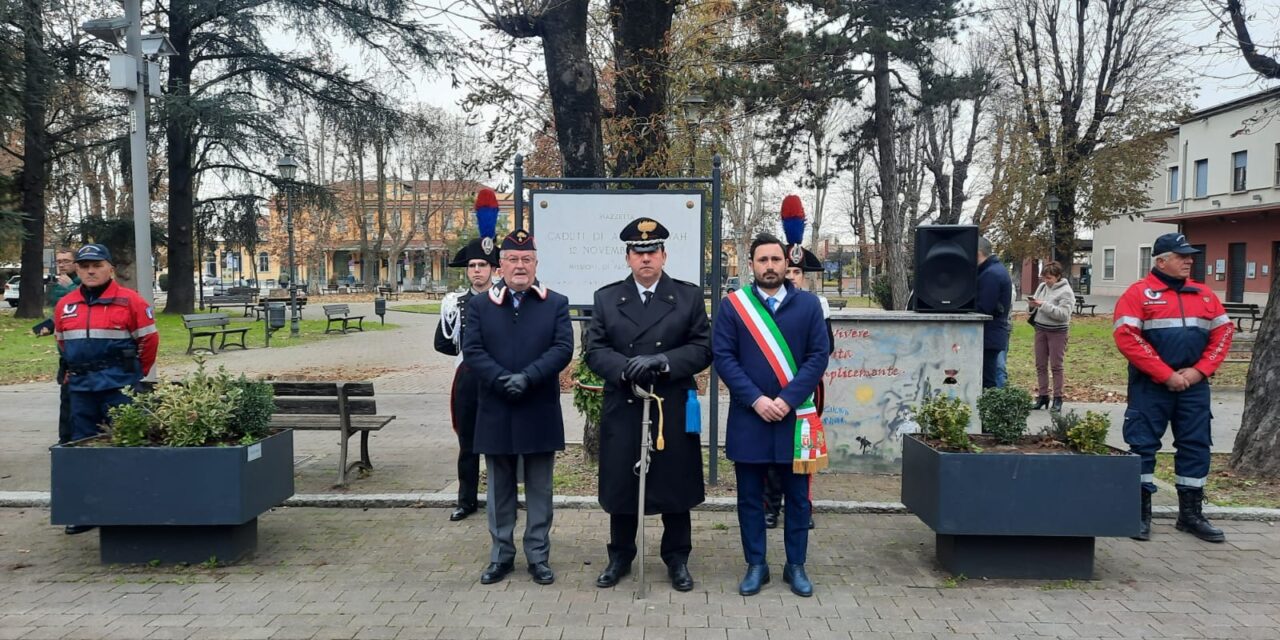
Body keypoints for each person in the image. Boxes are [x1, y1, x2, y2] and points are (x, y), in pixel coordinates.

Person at [585, 217, 712, 592]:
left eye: (652, 252)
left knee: (675, 483)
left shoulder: (687, 297)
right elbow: (595, 350)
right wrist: (625, 368)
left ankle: (677, 558)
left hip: (668, 403)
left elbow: (703, 348)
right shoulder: (607, 298)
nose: (645, 259)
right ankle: (620, 556)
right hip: (625, 403)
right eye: (638, 253)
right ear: (627, 258)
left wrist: (663, 362)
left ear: (664, 255)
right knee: (624, 484)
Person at [713, 232, 829, 598]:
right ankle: (756, 565)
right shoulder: (733, 306)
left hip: (795, 420)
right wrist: (757, 400)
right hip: (751, 418)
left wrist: (788, 399)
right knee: (750, 498)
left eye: (775, 260)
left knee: (797, 498)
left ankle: (795, 566)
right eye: (762, 260)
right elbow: (724, 358)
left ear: (786, 264)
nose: (769, 266)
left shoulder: (809, 306)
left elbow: (818, 357)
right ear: (752, 266)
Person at [462, 228, 573, 585]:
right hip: (496, 408)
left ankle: (538, 556)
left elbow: (562, 348)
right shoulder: (480, 305)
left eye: (526, 259)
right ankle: (501, 556)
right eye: (512, 259)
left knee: (540, 489)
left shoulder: (555, 303)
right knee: (499, 489)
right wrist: (501, 379)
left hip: (537, 406)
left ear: (536, 263)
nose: (520, 266)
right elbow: (473, 350)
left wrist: (527, 377)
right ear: (501, 265)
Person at [1114, 232, 1233, 544]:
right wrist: (1165, 374)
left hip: (1193, 385)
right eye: (1182, 256)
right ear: (1161, 260)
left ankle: (1191, 514)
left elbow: (1222, 334)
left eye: (1190, 255)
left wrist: (1198, 372)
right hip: (1151, 386)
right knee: (1142, 446)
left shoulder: (1205, 295)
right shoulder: (1139, 294)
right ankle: (1139, 513)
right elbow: (1128, 337)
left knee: (1195, 445)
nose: (1189, 261)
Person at [54, 243, 158, 534]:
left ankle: (131, 508)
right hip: (81, 388)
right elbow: (62, 342)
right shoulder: (66, 304)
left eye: (97, 265)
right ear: (77, 268)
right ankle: (88, 512)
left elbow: (148, 342)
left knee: (127, 445)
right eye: (85, 265)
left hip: (118, 386)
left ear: (110, 268)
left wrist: (134, 374)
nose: (90, 270)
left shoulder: (131, 301)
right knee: (82, 448)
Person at [764, 195, 833, 531]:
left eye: (796, 271)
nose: (791, 276)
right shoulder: (762, 304)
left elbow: (824, 348)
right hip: (769, 389)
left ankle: (802, 506)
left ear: (805, 275)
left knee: (803, 446)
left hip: (806, 389)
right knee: (770, 450)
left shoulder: (815, 306)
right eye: (787, 270)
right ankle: (770, 506)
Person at [433, 189, 502, 522]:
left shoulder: (507, 300)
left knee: (501, 441)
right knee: (468, 442)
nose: (477, 271)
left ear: (493, 268)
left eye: (483, 265)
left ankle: (500, 498)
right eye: (473, 266)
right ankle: (466, 499)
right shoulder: (454, 303)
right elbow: (444, 344)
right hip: (467, 376)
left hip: (500, 375)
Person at [34, 249, 80, 445]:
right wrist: (47, 325)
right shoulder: (57, 284)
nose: (62, 264)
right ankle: (65, 438)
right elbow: (59, 311)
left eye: (66, 261)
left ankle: (73, 439)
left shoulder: (78, 283)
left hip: (81, 351)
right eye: (59, 261)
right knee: (66, 398)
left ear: (76, 264)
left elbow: (80, 305)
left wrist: (71, 288)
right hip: (65, 349)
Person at [1027, 261, 1074, 412]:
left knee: (1056, 366)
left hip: (1058, 332)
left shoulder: (1066, 292)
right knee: (1040, 365)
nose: (1046, 281)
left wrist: (1043, 305)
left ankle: (1058, 398)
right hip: (1041, 329)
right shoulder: (1042, 287)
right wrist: (1032, 305)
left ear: (1058, 277)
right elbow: (1034, 307)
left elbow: (1063, 315)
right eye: (1044, 278)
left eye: (1049, 278)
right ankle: (1042, 395)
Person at [975, 236, 1012, 388]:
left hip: (989, 335)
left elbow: (984, 307)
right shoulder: (994, 270)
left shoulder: (991, 274)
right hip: (993, 334)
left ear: (978, 253)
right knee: (988, 376)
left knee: (988, 379)